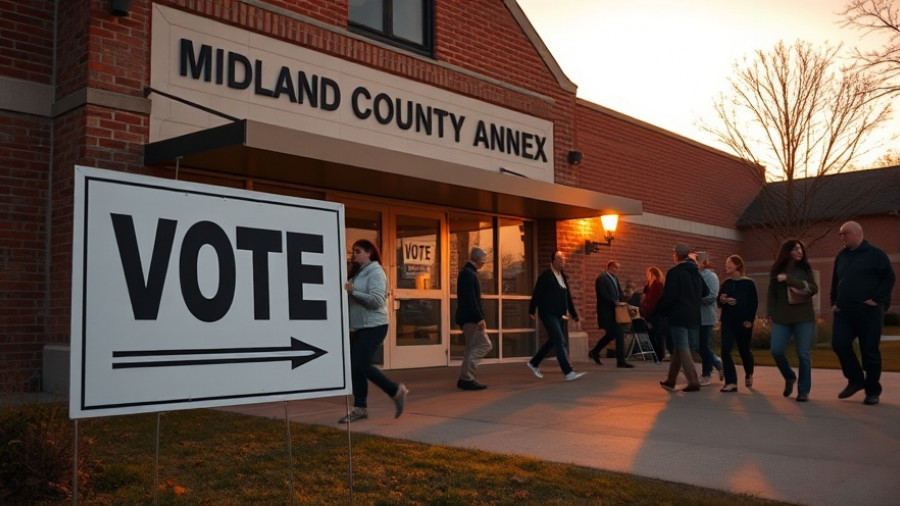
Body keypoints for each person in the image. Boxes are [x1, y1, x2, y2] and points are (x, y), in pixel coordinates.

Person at [340, 239, 408, 423]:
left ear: (369, 252)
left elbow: (377, 301)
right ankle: (360, 408)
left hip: (374, 326)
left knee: (361, 365)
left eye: (358, 251)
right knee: (356, 367)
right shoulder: (358, 273)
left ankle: (395, 391)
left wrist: (353, 291)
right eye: (353, 252)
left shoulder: (376, 273)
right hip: (359, 327)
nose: (354, 255)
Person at [830, 221, 896, 406]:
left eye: (845, 233)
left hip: (869, 312)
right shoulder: (841, 256)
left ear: (858, 233)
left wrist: (878, 299)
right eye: (840, 234)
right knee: (839, 344)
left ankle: (872, 391)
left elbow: (889, 277)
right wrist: (834, 302)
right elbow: (836, 282)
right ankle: (856, 379)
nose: (841, 237)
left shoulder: (876, 254)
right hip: (844, 313)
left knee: (870, 352)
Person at [767, 239, 818, 402]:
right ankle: (789, 377)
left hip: (804, 317)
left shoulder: (805, 269)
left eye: (801, 249)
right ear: (787, 251)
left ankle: (804, 391)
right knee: (776, 350)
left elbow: (813, 289)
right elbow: (771, 294)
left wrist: (789, 279)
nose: (799, 252)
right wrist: (771, 313)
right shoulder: (776, 270)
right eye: (796, 249)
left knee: (803, 354)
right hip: (782, 318)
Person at [526, 251, 586, 381]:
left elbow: (567, 297)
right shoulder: (546, 276)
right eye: (559, 258)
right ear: (553, 261)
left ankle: (534, 363)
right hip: (547, 313)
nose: (562, 260)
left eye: (563, 258)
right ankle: (568, 372)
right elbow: (537, 293)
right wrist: (532, 310)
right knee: (560, 340)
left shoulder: (562, 276)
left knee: (553, 340)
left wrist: (574, 314)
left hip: (560, 314)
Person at [656, 244, 707, 392]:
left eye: (674, 254)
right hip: (693, 314)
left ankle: (693, 380)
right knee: (680, 346)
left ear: (677, 256)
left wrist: (661, 310)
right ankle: (670, 380)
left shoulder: (675, 272)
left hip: (678, 314)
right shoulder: (695, 272)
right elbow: (705, 291)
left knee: (683, 347)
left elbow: (668, 296)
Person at [718, 254, 758, 392]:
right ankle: (731, 382)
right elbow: (719, 302)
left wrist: (749, 320)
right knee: (725, 349)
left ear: (737, 265)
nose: (727, 265)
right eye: (726, 263)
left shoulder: (748, 283)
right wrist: (722, 300)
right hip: (728, 320)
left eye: (730, 263)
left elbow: (753, 303)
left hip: (743, 322)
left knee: (744, 350)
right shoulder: (726, 283)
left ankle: (749, 372)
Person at [455, 247, 492, 391]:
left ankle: (464, 379)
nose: (484, 263)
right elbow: (470, 299)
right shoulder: (468, 274)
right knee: (485, 345)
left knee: (470, 348)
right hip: (471, 319)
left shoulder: (467, 273)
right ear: (478, 259)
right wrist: (479, 318)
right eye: (484, 260)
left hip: (468, 318)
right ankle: (466, 376)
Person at [588, 260, 634, 368]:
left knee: (613, 334)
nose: (617, 271)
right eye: (615, 269)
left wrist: (624, 303)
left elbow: (619, 293)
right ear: (610, 268)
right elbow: (603, 294)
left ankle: (595, 351)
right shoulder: (602, 278)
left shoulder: (615, 278)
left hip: (616, 312)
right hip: (607, 312)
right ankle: (621, 361)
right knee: (618, 333)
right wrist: (615, 302)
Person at [694, 252, 723, 385]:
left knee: (703, 346)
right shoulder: (694, 275)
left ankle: (707, 373)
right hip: (695, 317)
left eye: (696, 261)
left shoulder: (711, 276)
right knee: (697, 346)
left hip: (706, 317)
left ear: (704, 262)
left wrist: (696, 299)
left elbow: (712, 297)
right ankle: (716, 362)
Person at [641, 266, 668, 362]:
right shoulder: (649, 285)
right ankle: (656, 354)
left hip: (655, 313)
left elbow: (654, 300)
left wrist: (646, 305)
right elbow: (645, 297)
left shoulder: (658, 284)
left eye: (648, 274)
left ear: (652, 274)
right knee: (651, 334)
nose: (646, 276)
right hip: (649, 313)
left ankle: (659, 355)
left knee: (658, 334)